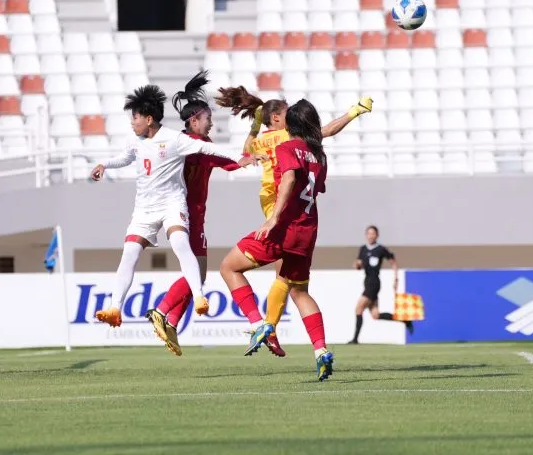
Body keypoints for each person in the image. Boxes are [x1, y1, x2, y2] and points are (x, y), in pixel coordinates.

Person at [215, 87, 372, 356]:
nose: (292, 116)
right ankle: (272, 328)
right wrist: (353, 112)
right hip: (287, 208)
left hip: (274, 204)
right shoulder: (291, 137)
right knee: (290, 282)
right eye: (287, 112)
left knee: (283, 279)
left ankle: (265, 327)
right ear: (276, 118)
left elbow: (246, 149)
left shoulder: (262, 139)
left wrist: (254, 122)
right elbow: (329, 130)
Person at [90, 84, 257, 328]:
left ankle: (194, 301)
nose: (131, 122)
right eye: (207, 118)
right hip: (145, 208)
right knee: (129, 255)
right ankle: (117, 309)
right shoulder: (136, 140)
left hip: (173, 204)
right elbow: (126, 157)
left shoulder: (176, 139)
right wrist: (104, 164)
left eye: (134, 117)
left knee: (180, 245)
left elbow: (209, 148)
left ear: (148, 119)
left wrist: (238, 158)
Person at [219, 99, 334, 381]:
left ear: (289, 124)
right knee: (299, 292)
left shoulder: (286, 148)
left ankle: (259, 324)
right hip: (308, 230)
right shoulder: (319, 155)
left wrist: (273, 218)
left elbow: (289, 179)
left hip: (284, 228)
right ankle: (321, 351)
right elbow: (319, 187)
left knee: (228, 267)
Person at [144, 71, 245, 356]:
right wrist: (253, 154)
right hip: (188, 214)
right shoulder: (194, 146)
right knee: (197, 273)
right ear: (194, 121)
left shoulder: (183, 143)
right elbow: (231, 162)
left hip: (181, 213)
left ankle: (171, 322)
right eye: (207, 118)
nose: (211, 122)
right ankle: (162, 311)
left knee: (196, 274)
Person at [348, 225, 412, 345]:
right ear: (366, 235)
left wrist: (396, 278)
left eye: (373, 233)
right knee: (375, 315)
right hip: (367, 282)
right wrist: (357, 265)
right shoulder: (363, 249)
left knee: (358, 308)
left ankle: (355, 339)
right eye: (369, 233)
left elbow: (393, 262)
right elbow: (358, 265)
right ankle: (405, 320)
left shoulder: (380, 249)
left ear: (377, 235)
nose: (371, 235)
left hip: (374, 283)